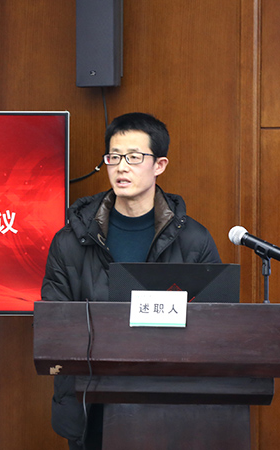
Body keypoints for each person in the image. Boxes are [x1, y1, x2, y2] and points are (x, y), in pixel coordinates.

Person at [41, 112, 221, 450]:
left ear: (159, 165)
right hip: (91, 403)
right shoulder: (71, 240)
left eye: (134, 157)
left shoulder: (193, 240)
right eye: (114, 157)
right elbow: (55, 324)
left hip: (171, 404)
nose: (122, 167)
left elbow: (217, 324)